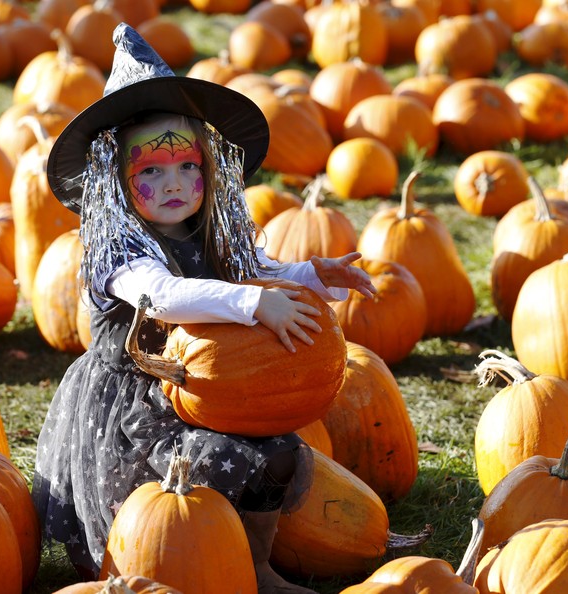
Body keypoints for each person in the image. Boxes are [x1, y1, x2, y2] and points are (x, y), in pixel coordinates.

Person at [32, 22, 376, 594]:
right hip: (138, 402)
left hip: (213, 383)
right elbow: (164, 295)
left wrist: (312, 276)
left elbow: (254, 274)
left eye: (187, 166)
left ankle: (255, 566)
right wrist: (253, 304)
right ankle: (174, 561)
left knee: (283, 450)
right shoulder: (119, 251)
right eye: (151, 171)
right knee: (206, 466)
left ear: (208, 168)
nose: (174, 183)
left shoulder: (206, 232)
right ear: (117, 182)